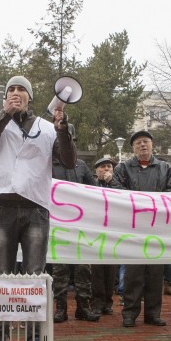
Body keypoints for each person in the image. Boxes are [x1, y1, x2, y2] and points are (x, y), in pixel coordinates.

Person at [0, 75, 75, 341]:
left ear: (30, 97)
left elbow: (68, 161)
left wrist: (63, 130)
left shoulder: (46, 127)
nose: (16, 93)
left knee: (34, 278)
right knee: (2, 276)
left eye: (22, 90)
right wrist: (4, 113)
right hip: (4, 207)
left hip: (35, 207)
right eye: (11, 90)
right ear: (5, 97)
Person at [111, 130, 171, 327]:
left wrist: (154, 203)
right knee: (133, 272)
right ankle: (129, 314)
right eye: (139, 142)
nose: (143, 145)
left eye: (146, 142)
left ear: (152, 145)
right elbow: (116, 189)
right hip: (132, 226)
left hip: (157, 226)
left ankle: (153, 313)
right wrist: (140, 201)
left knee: (155, 272)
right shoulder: (124, 168)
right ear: (133, 148)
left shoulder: (165, 168)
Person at [50, 125, 100, 323]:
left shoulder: (81, 166)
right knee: (59, 269)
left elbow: (95, 191)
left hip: (81, 225)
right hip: (58, 225)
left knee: (83, 269)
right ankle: (60, 308)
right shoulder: (48, 166)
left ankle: (83, 306)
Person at [91, 156, 119, 315]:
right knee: (97, 270)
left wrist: (112, 183)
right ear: (96, 171)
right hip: (96, 231)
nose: (106, 169)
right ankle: (97, 302)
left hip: (112, 231)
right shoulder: (91, 185)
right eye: (102, 167)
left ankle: (108, 302)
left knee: (111, 269)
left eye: (109, 166)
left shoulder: (117, 184)